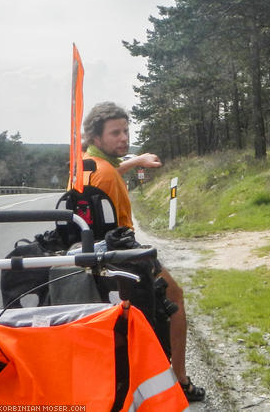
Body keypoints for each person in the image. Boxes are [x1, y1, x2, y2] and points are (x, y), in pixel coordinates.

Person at [82, 101, 206, 403]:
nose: (123, 138)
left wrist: (135, 160)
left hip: (97, 253)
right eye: (115, 133)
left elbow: (110, 170)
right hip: (124, 251)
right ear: (97, 138)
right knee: (174, 296)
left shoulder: (87, 164)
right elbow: (110, 185)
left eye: (125, 131)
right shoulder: (107, 176)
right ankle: (178, 379)